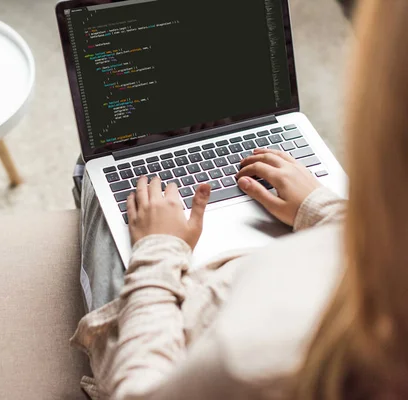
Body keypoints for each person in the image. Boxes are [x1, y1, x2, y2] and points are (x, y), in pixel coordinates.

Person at [70, 0, 408, 398]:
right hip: (269, 267)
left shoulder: (248, 362)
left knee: (101, 169)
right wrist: (323, 209)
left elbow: (140, 389)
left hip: (175, 320)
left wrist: (158, 250)